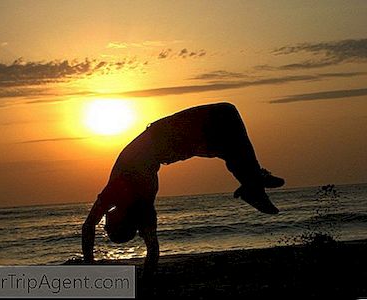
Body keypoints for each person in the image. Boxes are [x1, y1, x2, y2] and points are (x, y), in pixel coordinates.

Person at [82, 102, 284, 276]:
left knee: (228, 144)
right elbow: (88, 227)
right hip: (164, 136)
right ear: (118, 221)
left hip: (169, 148)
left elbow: (153, 250)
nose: (104, 223)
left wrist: (145, 280)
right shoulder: (117, 193)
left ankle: (253, 183)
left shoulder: (143, 208)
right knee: (227, 114)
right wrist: (89, 266)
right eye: (107, 227)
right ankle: (253, 182)